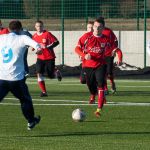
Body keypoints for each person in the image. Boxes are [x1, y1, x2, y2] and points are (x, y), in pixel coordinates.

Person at [0, 20, 42, 130]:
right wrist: (39, 50)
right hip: (16, 80)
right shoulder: (22, 38)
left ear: (8, 29)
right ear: (20, 29)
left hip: (1, 79)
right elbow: (37, 45)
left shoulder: (2, 38)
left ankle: (31, 120)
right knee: (25, 100)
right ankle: (31, 121)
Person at [75, 18, 111, 117]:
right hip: (88, 65)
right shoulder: (86, 37)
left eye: (99, 27)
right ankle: (95, 95)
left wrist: (115, 56)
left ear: (103, 28)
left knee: (100, 84)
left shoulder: (106, 39)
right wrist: (83, 55)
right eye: (95, 26)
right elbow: (77, 48)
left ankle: (99, 109)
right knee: (90, 84)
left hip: (100, 65)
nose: (96, 29)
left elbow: (109, 51)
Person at [32, 20, 62, 97]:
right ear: (35, 27)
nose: (39, 27)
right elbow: (34, 45)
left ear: (43, 26)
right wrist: (34, 49)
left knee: (50, 76)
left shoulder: (47, 34)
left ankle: (56, 71)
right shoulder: (34, 36)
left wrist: (47, 47)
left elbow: (56, 42)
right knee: (39, 73)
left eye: (40, 26)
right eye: (37, 26)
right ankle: (44, 92)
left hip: (49, 57)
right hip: (40, 58)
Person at [97, 17, 122, 95]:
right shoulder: (95, 32)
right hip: (100, 55)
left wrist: (114, 49)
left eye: (100, 25)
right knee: (102, 73)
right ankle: (105, 89)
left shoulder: (109, 31)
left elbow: (115, 41)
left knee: (109, 73)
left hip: (109, 55)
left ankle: (112, 83)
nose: (98, 27)